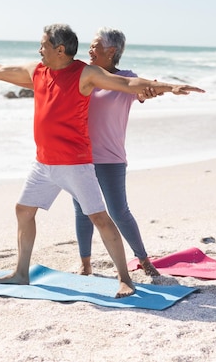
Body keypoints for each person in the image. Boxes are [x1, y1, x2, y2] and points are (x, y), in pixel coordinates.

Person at [0, 24, 204, 298]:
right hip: (43, 163)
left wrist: (170, 86)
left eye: (43, 45)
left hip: (76, 163)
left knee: (101, 218)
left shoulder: (85, 73)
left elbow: (127, 84)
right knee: (23, 210)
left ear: (60, 49)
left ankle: (125, 278)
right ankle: (22, 273)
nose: (38, 50)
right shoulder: (38, 70)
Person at [74, 27, 160, 277]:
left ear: (111, 51)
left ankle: (144, 260)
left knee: (118, 211)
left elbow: (144, 89)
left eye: (95, 46)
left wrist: (157, 90)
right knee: (82, 211)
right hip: (81, 157)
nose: (89, 50)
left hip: (110, 158)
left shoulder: (125, 78)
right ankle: (85, 264)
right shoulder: (85, 74)